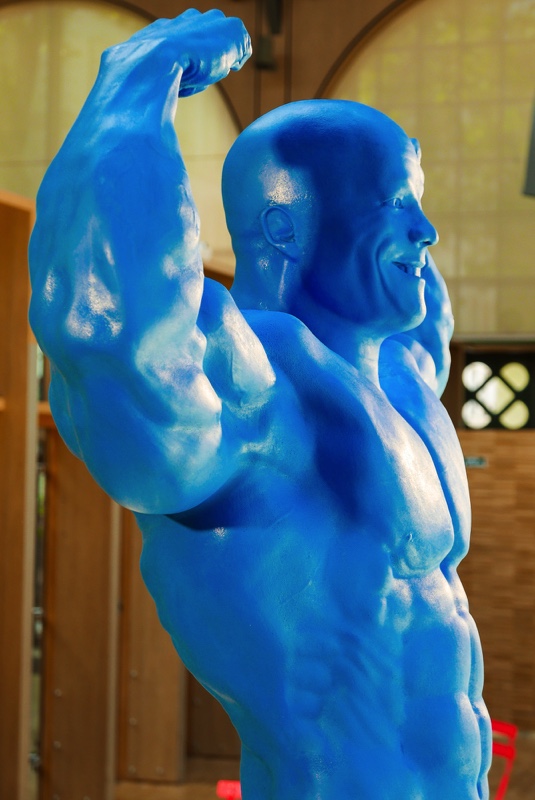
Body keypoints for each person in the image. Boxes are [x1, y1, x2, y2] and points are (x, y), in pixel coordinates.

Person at [29, 9, 491, 799]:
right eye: (391, 204)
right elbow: (112, 340)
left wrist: (396, 174)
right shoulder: (253, 392)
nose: (426, 231)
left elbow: (418, 293)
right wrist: (140, 75)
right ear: (282, 224)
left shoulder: (404, 377)